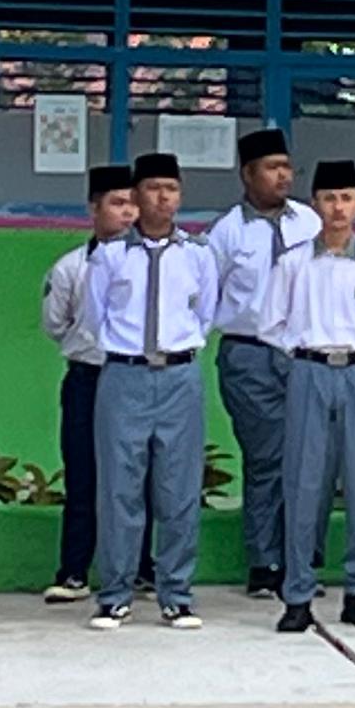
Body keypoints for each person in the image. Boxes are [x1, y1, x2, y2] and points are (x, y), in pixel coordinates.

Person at [264, 160, 355, 633]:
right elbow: (272, 323)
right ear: (315, 205)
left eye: (346, 198)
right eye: (328, 198)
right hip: (309, 370)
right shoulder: (294, 262)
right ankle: (298, 593)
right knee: (303, 482)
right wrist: (305, 352)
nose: (337, 207)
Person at [84, 153, 216, 629]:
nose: (163, 197)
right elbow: (95, 316)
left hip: (179, 375)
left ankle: (176, 593)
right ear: (136, 197)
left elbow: (205, 315)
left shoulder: (199, 255)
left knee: (179, 487)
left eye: (172, 189)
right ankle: (115, 592)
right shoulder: (111, 255)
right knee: (120, 487)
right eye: (153, 188)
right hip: (125, 375)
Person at [204, 132, 303, 598]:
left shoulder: (308, 222)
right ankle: (265, 561)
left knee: (306, 457)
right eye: (271, 167)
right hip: (249, 354)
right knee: (268, 455)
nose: (282, 175)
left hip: (301, 355)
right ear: (247, 174)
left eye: (286, 166)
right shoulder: (227, 232)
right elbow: (207, 297)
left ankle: (299, 558)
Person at [39, 164, 135, 605]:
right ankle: (75, 569)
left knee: (139, 474)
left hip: (134, 377)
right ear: (93, 209)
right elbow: (56, 325)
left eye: (133, 203)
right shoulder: (70, 268)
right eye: (117, 203)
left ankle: (141, 568)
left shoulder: (151, 262)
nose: (128, 213)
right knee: (84, 474)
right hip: (87, 377)